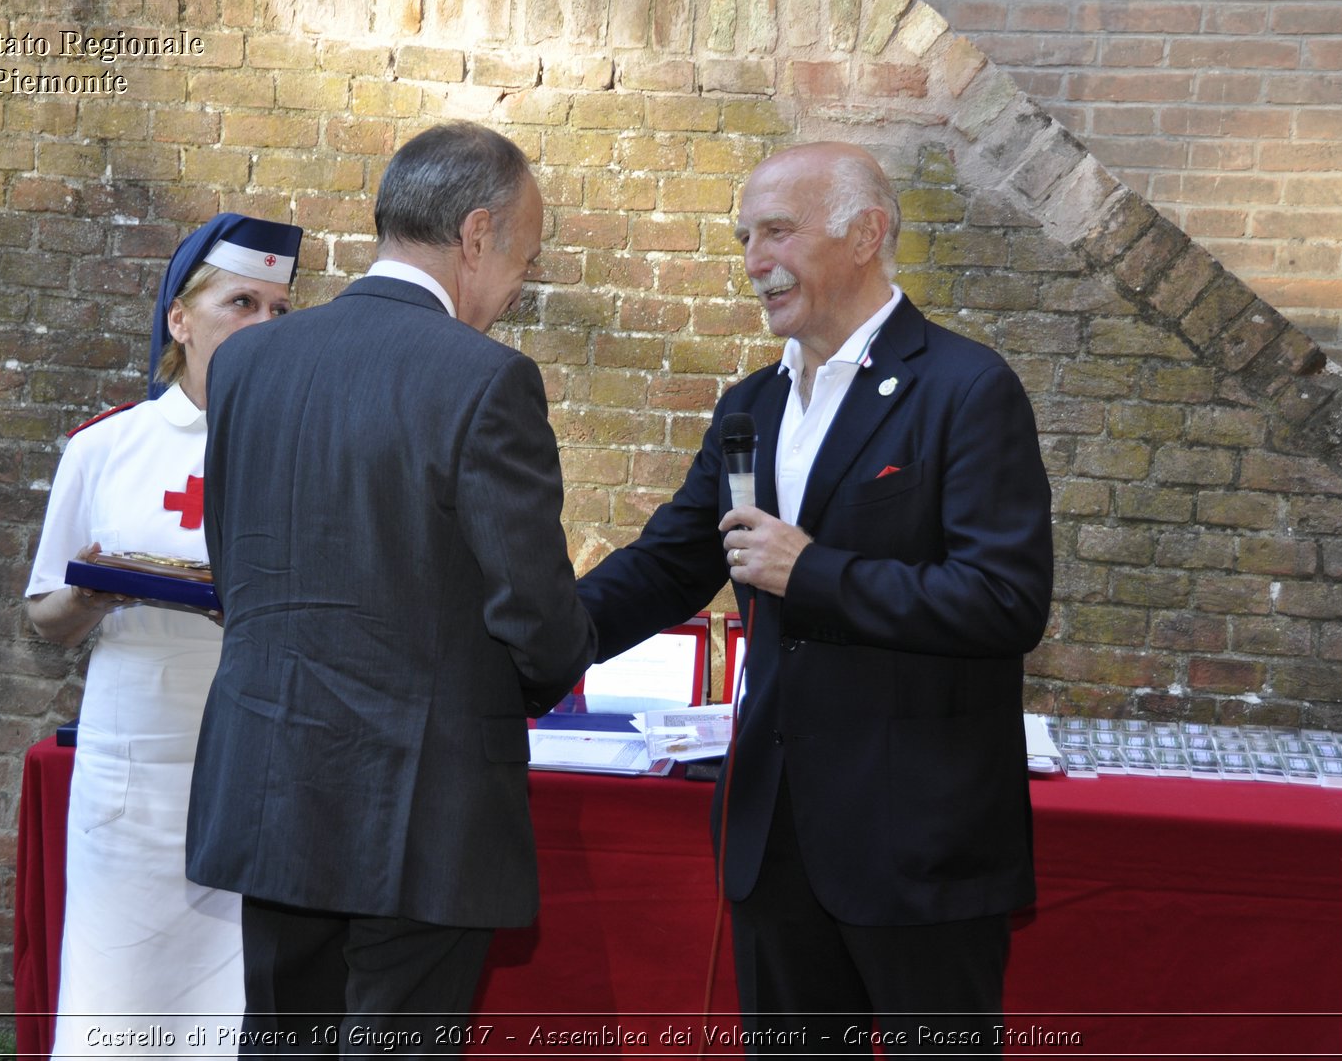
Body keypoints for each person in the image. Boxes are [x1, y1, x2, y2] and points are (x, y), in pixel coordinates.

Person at [576, 142, 1054, 1054]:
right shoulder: (750, 403)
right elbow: (672, 562)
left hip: (918, 849)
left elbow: (1005, 600)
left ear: (866, 233)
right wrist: (528, 639)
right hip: (774, 843)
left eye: (778, 232)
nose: (755, 261)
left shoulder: (965, 389)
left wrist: (814, 571)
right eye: (746, 238)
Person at [185, 122, 596, 1053]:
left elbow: (237, 566)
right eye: (524, 260)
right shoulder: (487, 379)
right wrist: (541, 678)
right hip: (425, 799)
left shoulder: (245, 362)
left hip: (273, 774)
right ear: (478, 234)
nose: (517, 288)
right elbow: (533, 610)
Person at [24, 213, 303, 1057]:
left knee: (235, 1016)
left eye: (279, 310)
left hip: (258, 772)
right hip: (134, 772)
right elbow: (46, 618)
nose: (261, 326)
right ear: (182, 320)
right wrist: (99, 593)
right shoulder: (105, 449)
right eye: (241, 302)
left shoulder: (302, 448)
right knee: (117, 1004)